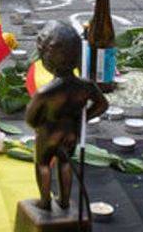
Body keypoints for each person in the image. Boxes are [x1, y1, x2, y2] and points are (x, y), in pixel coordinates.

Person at [25, 20, 108, 211]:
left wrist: (40, 124)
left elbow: (30, 119)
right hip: (71, 132)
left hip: (48, 133)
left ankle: (45, 202)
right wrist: (82, 119)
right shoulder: (86, 86)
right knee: (65, 163)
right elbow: (102, 104)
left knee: (43, 164)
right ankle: (64, 200)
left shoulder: (45, 93)